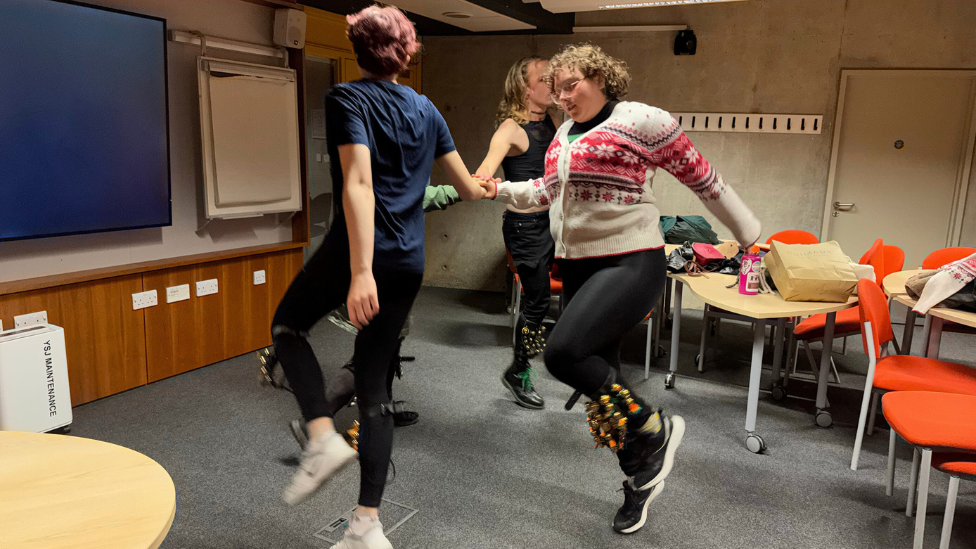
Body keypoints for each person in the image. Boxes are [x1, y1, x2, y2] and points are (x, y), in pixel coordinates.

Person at [478, 44, 761, 535]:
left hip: (631, 260)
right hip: (581, 264)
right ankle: (639, 473)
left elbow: (702, 177)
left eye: (573, 85)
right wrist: (498, 188)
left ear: (601, 78)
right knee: (601, 387)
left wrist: (749, 232)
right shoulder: (564, 133)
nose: (564, 97)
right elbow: (545, 194)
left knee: (563, 354)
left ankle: (655, 429)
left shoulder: (641, 120)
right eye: (557, 88)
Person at [269, 7, 487, 549]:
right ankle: (366, 524)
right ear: (407, 52)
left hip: (359, 254)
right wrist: (497, 185)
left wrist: (360, 270)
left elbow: (359, 183)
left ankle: (321, 437)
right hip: (408, 261)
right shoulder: (426, 108)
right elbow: (467, 189)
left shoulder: (347, 98)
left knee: (288, 330)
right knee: (374, 384)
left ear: (359, 49)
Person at [475, 56, 558, 410]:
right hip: (525, 228)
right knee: (537, 304)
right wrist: (488, 182)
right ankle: (519, 372)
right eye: (545, 78)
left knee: (547, 303)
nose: (553, 83)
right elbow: (481, 175)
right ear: (526, 89)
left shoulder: (552, 122)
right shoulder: (511, 129)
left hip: (553, 225)